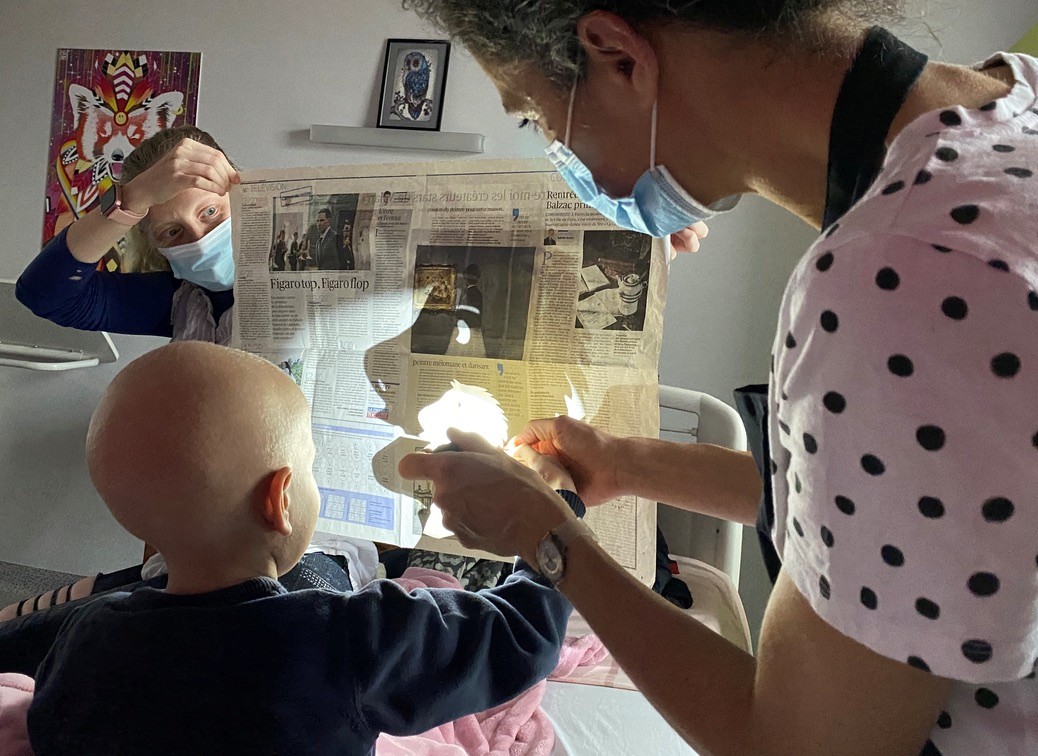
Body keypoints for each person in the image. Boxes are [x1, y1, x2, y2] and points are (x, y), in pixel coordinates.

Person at [399, 2, 1038, 754]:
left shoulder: (901, 273)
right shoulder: (1014, 95)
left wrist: (547, 539)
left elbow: (793, 745)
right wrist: (626, 464)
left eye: (536, 118)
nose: (560, 157)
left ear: (619, 55)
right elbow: (923, 511)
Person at [18, 341, 583, 754]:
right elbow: (521, 637)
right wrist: (551, 517)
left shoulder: (84, 638)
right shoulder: (351, 636)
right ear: (280, 501)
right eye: (311, 465)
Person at [16, 125, 239, 345]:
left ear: (242, 199)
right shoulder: (179, 299)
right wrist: (133, 197)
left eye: (211, 212)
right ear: (154, 243)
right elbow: (45, 296)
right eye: (172, 232)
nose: (199, 240)